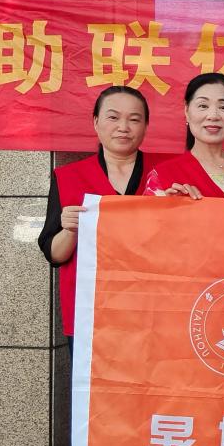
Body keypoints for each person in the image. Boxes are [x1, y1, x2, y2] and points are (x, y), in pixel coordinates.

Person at [38, 86, 159, 343]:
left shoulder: (167, 174)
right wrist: (70, 230)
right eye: (113, 117)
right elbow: (55, 254)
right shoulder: (68, 177)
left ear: (146, 126)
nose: (123, 127)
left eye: (134, 119)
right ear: (96, 122)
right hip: (90, 313)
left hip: (155, 311)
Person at [144, 72, 224, 198]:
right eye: (203, 106)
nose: (213, 116)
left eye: (223, 107)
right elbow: (149, 212)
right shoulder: (162, 175)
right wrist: (168, 205)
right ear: (187, 111)